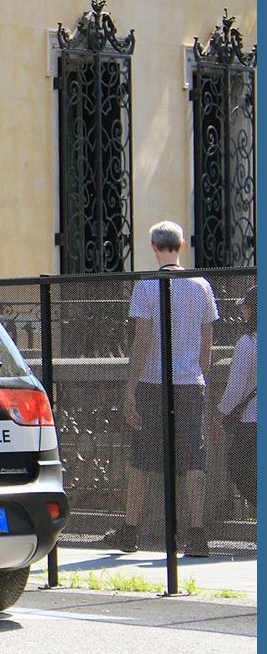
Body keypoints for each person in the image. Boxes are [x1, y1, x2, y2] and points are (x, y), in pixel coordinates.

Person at [102, 221, 219, 556]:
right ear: (182, 245)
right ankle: (197, 534)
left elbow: (141, 341)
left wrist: (130, 389)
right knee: (193, 458)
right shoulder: (201, 286)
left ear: (154, 246)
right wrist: (203, 382)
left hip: (153, 382)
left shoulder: (147, 285)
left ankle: (131, 530)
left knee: (142, 457)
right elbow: (206, 344)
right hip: (190, 383)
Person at [218, 285, 256, 506]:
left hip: (253, 420)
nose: (242, 311)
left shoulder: (248, 343)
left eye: (246, 307)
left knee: (239, 469)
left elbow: (235, 389)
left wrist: (220, 413)